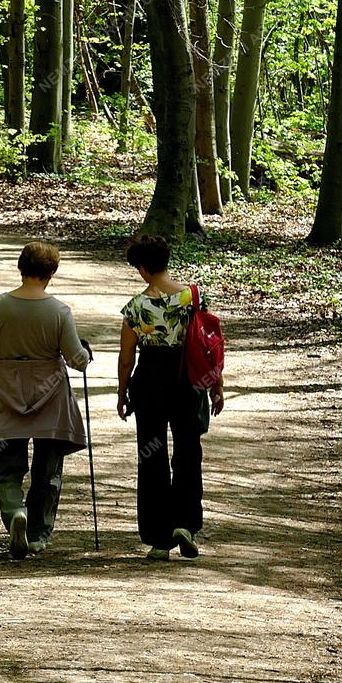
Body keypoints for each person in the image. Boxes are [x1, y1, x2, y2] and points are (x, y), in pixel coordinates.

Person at [0, 241, 90, 559]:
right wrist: (86, 353)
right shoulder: (59, 311)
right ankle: (37, 535)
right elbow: (76, 359)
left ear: (21, 268)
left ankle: (14, 512)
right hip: (51, 395)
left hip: (7, 393)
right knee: (48, 470)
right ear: (52, 273)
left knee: (6, 467)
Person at [117, 232, 224, 560]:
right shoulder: (192, 297)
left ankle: (159, 538)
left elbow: (126, 356)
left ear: (142, 269)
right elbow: (208, 343)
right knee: (189, 451)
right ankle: (186, 524)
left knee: (152, 454)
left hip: (149, 381)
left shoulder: (136, 307)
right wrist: (216, 383)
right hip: (188, 379)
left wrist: (122, 393)